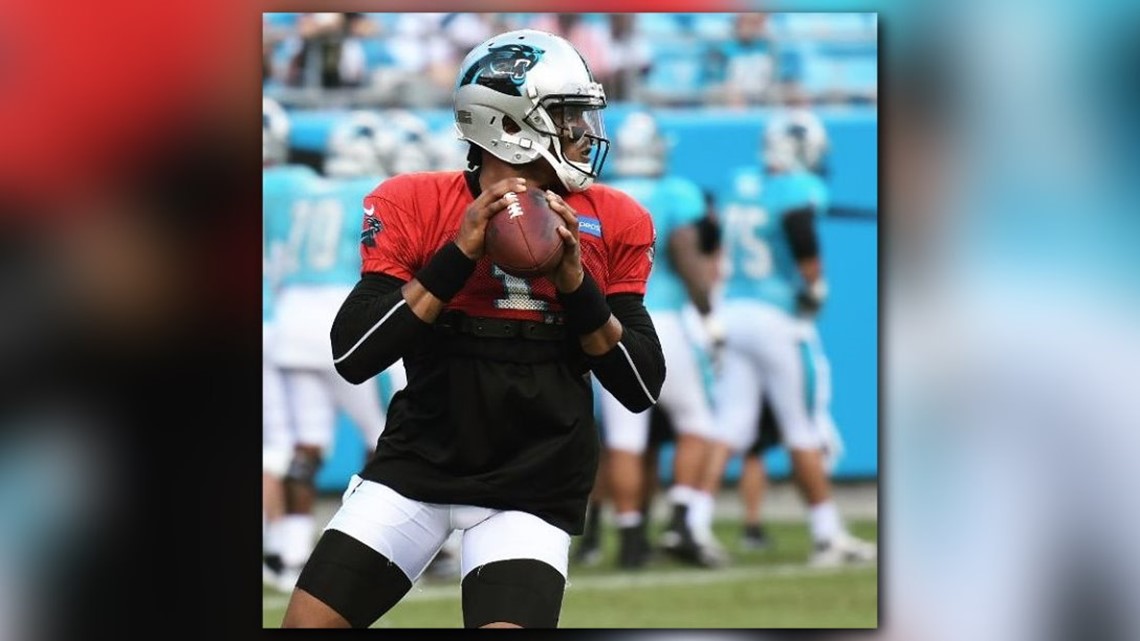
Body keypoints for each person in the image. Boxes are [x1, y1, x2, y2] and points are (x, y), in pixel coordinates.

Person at [281, 29, 664, 628]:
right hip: (418, 468)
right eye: (565, 116)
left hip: (533, 483)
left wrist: (574, 281)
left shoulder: (613, 218)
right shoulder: (417, 203)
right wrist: (459, 253)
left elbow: (641, 386)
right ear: (507, 123)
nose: (583, 133)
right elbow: (354, 352)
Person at [691, 107, 874, 567]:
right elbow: (798, 228)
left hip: (733, 311)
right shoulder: (797, 187)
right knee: (803, 427)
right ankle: (827, 534)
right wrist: (814, 283)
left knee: (730, 425)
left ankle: (693, 522)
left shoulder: (738, 181)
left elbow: (714, 236)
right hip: (777, 318)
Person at [263, 109, 395, 593]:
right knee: (385, 435)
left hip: (291, 316)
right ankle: (375, 543)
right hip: (337, 315)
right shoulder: (372, 193)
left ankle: (291, 555)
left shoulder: (304, 189)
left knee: (306, 445)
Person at [596, 110, 724, 568]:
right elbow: (687, 256)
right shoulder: (675, 193)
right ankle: (683, 519)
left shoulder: (599, 194)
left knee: (625, 436)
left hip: (608, 322)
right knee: (698, 423)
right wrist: (709, 316)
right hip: (664, 318)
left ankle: (630, 538)